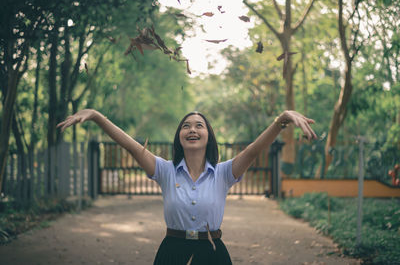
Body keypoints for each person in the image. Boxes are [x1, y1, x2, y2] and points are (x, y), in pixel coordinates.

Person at [57, 109, 317, 265]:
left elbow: (252, 151)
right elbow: (130, 145)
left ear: (208, 136)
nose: (192, 129)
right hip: (172, 250)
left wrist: (281, 120)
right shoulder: (165, 171)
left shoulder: (224, 173)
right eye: (186, 126)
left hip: (213, 252)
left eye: (199, 125)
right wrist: (96, 116)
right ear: (179, 137)